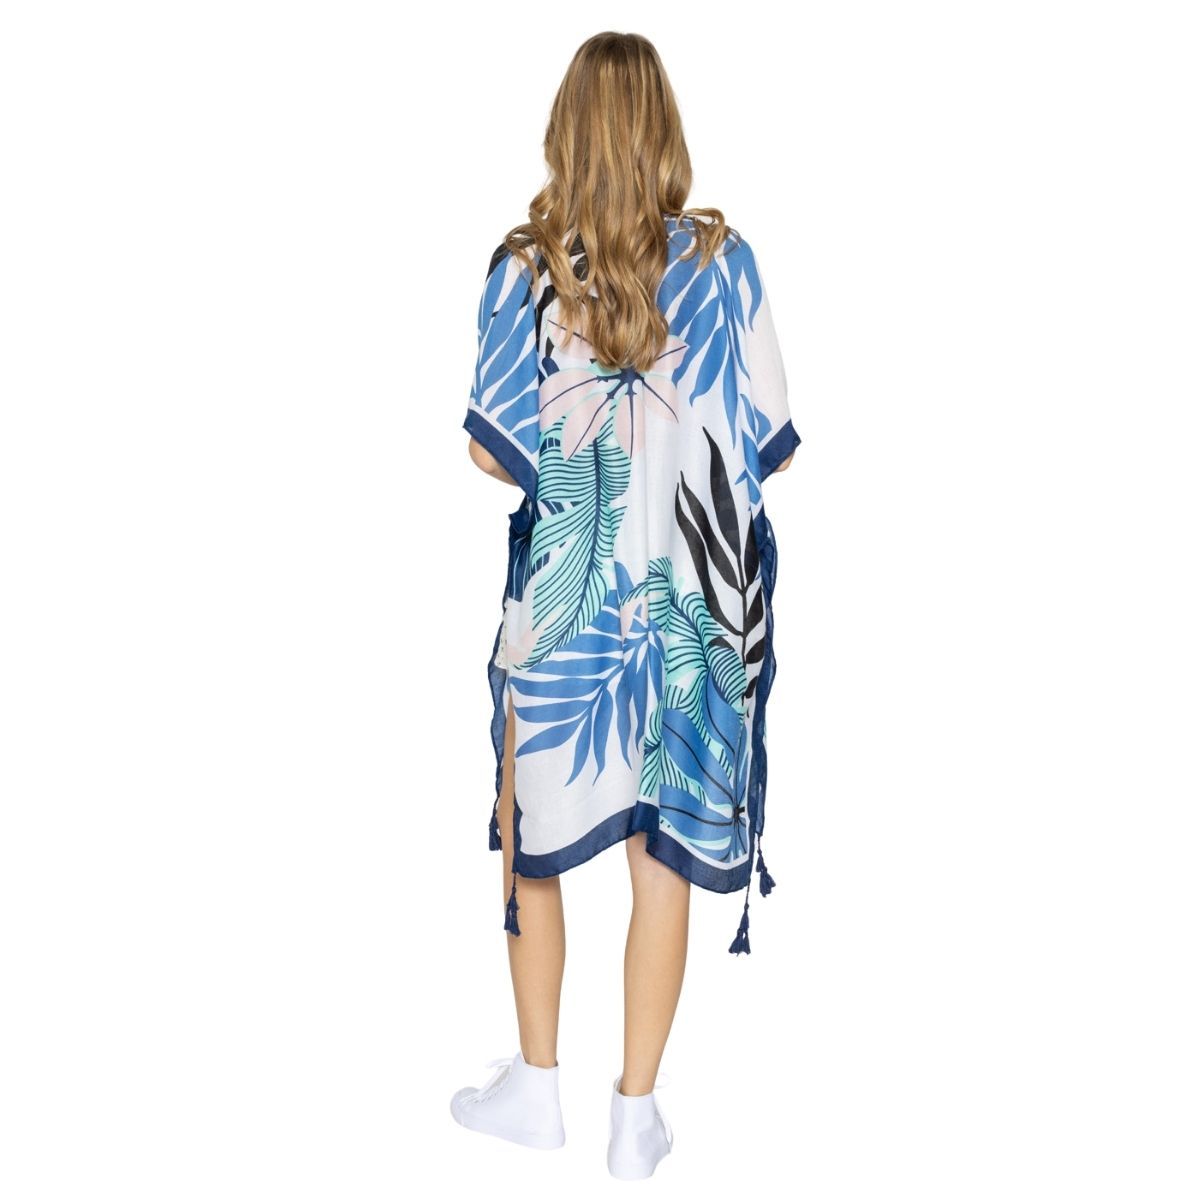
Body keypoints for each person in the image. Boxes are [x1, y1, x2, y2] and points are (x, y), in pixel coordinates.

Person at [452, 31, 799, 1180]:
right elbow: (766, 440)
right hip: (694, 618)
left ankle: (535, 1086)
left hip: (570, 622)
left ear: (567, 128)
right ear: (664, 128)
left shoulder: (528, 271)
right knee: (663, 864)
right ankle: (635, 1118)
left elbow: (492, 453)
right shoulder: (725, 263)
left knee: (530, 846)